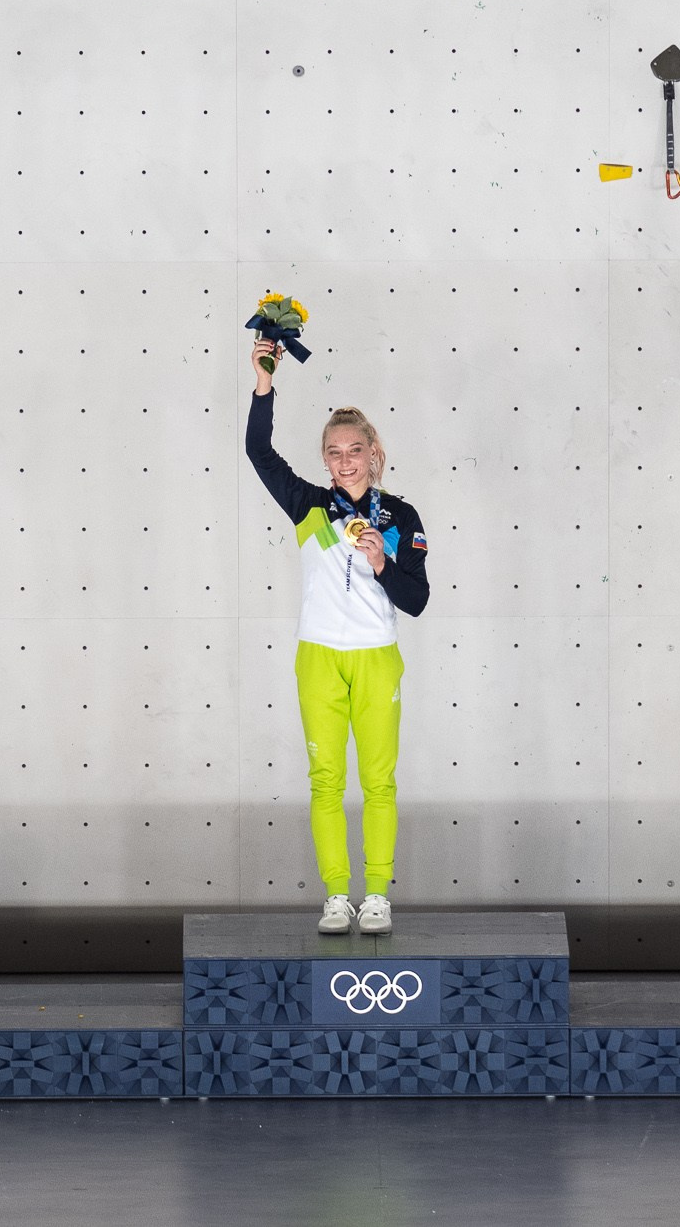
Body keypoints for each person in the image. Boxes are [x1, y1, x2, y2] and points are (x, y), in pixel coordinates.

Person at [245, 335, 429, 934]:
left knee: (378, 782)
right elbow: (257, 451)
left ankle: (376, 895)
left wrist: (382, 563)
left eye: (355, 450)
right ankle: (335, 896)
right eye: (334, 452)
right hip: (319, 658)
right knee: (325, 781)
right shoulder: (309, 506)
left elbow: (417, 600)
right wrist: (265, 382)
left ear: (374, 453)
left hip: (376, 660)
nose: (345, 461)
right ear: (325, 460)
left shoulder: (400, 516)